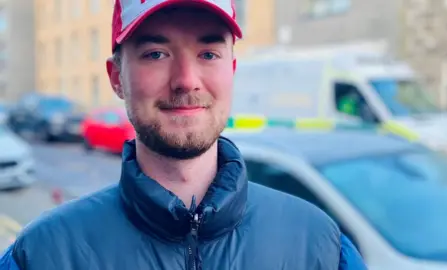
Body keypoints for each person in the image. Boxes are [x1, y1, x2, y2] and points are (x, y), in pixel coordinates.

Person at [0, 0, 367, 269]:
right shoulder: (42, 256)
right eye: (156, 54)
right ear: (116, 78)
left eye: (208, 54)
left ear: (232, 70)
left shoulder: (320, 247)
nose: (186, 81)